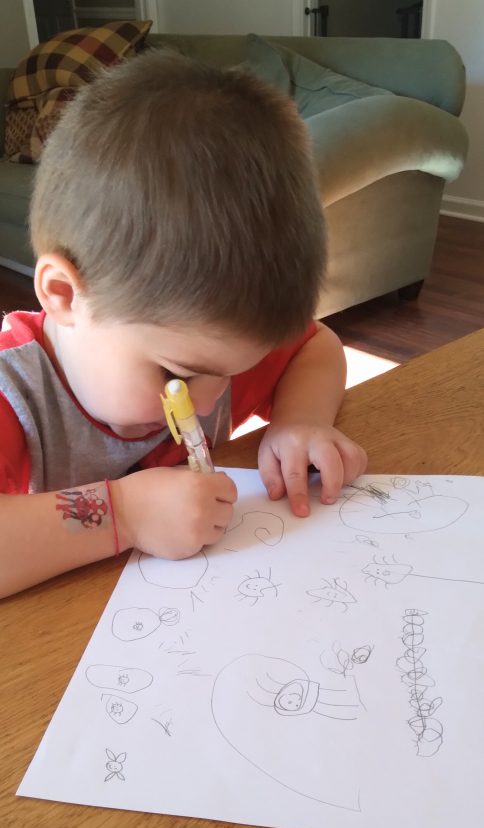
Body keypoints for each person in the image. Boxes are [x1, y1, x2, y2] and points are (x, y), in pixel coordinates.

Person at [0, 48, 367, 599]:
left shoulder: (207, 354)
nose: (211, 399)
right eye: (176, 376)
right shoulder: (13, 391)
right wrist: (124, 515)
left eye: (232, 371)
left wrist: (300, 421)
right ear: (65, 296)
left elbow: (317, 347)